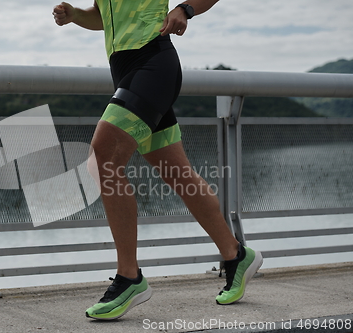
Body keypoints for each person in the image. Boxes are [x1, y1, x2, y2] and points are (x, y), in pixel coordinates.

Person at [53, 0, 263, 320]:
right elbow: (103, 17)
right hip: (127, 71)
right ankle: (235, 254)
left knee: (103, 157)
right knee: (179, 175)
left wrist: (186, 8)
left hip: (152, 62)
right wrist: (76, 16)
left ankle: (129, 277)